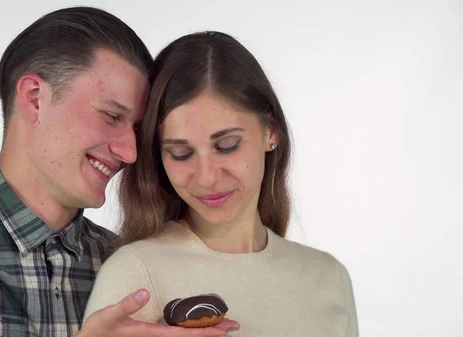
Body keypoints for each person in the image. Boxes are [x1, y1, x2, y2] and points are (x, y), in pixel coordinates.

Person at [0, 7, 238, 337]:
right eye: (111, 116)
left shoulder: (126, 264)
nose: (130, 151)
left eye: (137, 130)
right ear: (34, 99)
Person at [83, 31, 359, 336]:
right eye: (181, 153)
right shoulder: (134, 275)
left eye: (227, 145)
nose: (207, 177)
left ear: (271, 131)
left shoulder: (329, 278)